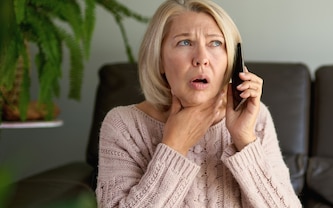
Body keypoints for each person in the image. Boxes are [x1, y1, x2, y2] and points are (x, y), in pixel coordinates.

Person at [95, 0, 301, 207]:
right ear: (159, 60)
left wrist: (244, 139)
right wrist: (174, 147)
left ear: (232, 60)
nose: (201, 58)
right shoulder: (123, 125)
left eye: (215, 43)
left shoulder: (256, 117)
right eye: (185, 42)